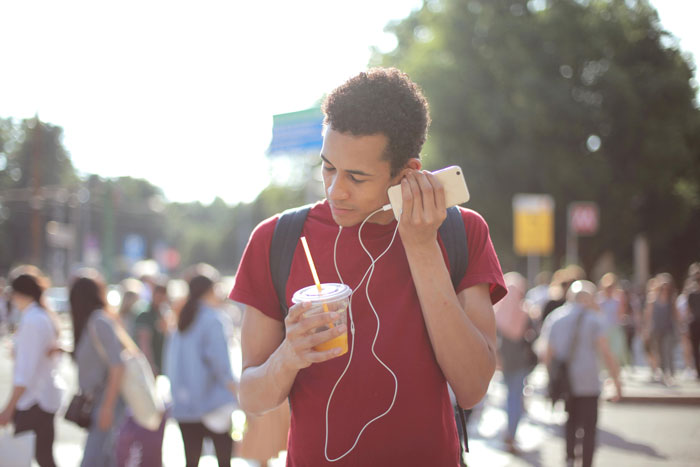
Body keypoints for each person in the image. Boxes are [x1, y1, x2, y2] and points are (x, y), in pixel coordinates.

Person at [230, 68, 506, 466]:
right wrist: (289, 355)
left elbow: (473, 386)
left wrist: (422, 245)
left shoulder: (460, 232)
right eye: (328, 167)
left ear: (407, 172)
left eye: (356, 177)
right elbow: (252, 396)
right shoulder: (276, 239)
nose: (335, 190)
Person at [541, 280, 622, 467]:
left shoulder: (555, 317)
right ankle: (586, 463)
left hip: (566, 381)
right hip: (589, 381)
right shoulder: (595, 319)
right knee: (589, 427)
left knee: (570, 421)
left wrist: (551, 379)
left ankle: (569, 459)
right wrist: (617, 381)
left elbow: (547, 354)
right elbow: (606, 352)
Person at [166, 264, 238, 467]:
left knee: (191, 460)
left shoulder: (180, 318)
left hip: (185, 404)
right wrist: (236, 391)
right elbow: (221, 365)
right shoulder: (214, 319)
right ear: (212, 289)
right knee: (224, 459)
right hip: (214, 403)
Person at [0, 266, 64, 467]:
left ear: (19, 293)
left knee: (28, 457)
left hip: (33, 400)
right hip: (43, 397)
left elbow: (25, 373)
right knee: (43, 456)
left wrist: (9, 408)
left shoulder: (32, 320)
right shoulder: (41, 316)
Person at [69, 270, 132, 467]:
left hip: (105, 401)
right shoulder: (93, 321)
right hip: (98, 401)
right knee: (105, 459)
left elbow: (117, 365)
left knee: (92, 460)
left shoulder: (99, 320)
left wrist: (107, 407)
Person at [495, 272, 537, 454]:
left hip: (504, 359)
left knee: (509, 396)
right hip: (519, 360)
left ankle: (509, 431)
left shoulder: (497, 311)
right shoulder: (525, 311)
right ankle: (512, 432)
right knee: (515, 396)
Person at [644, 273, 679, 385]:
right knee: (658, 351)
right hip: (656, 329)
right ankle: (661, 372)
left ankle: (669, 373)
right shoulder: (653, 299)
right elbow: (648, 315)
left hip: (668, 329)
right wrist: (646, 329)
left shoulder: (671, 299)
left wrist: (680, 327)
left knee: (667, 350)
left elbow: (675, 315)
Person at [134, 281, 169, 375]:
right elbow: (144, 343)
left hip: (163, 366)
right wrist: (150, 366)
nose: (161, 297)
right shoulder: (145, 315)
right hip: (151, 368)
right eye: (159, 294)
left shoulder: (163, 314)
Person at [686, 263, 700, 379]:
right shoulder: (691, 292)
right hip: (695, 323)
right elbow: (688, 309)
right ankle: (697, 370)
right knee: (695, 348)